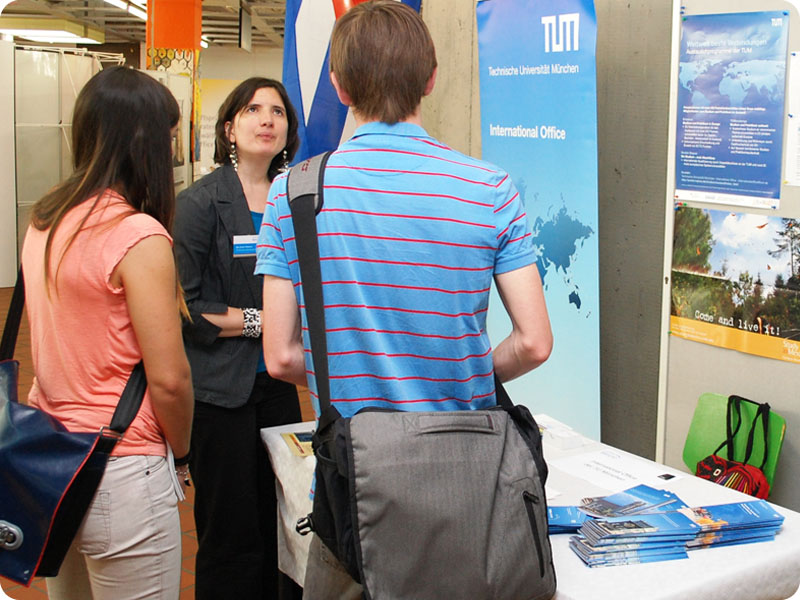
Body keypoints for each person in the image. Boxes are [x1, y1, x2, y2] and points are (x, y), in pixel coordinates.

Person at [255, 1, 553, 597]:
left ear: (338, 86)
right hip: (468, 482)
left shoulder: (294, 191)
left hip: (354, 487)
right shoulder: (489, 188)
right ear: (431, 79)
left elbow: (281, 356)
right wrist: (462, 371)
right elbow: (534, 342)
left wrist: (350, 371)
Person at [21, 66, 193, 599]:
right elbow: (169, 380)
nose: (171, 153)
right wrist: (183, 454)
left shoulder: (45, 221)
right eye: (168, 139)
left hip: (53, 463)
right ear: (142, 141)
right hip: (122, 469)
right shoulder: (137, 234)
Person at [173, 77, 303, 600]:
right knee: (229, 534)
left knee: (285, 524)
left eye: (277, 111)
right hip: (219, 394)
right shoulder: (199, 203)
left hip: (279, 385)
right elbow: (188, 306)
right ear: (229, 128)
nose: (267, 119)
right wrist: (261, 321)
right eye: (253, 109)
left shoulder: (297, 202)